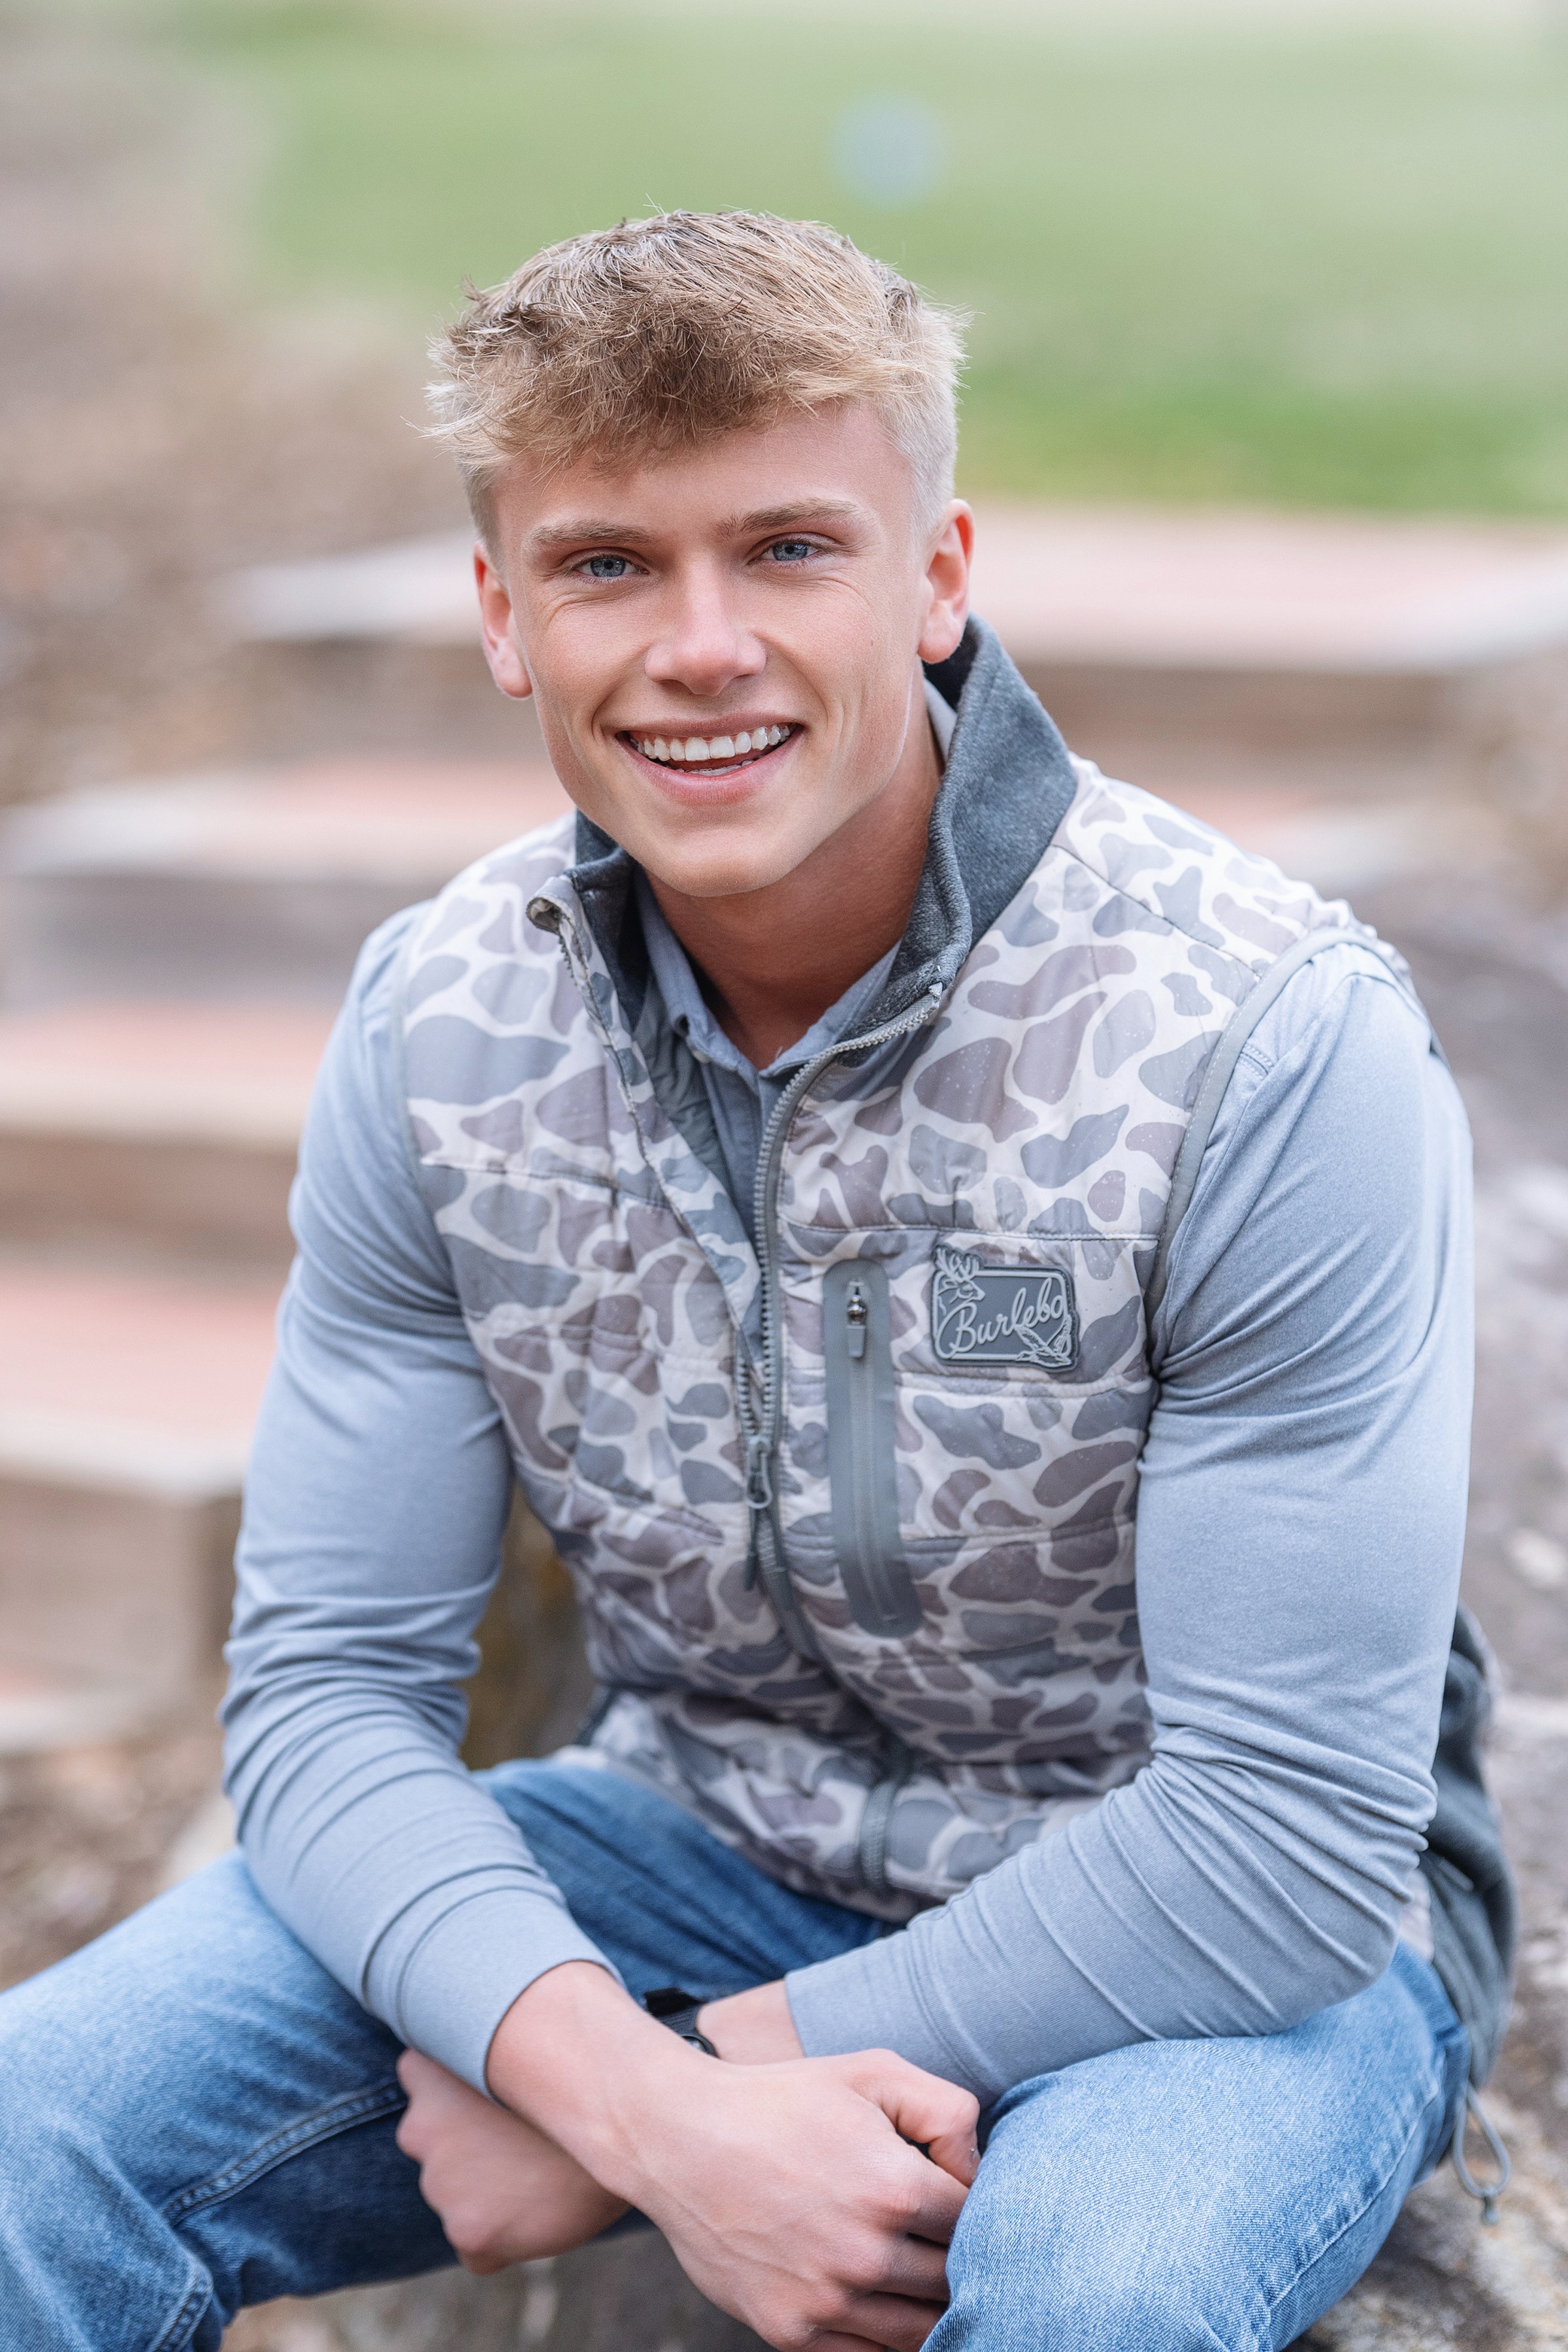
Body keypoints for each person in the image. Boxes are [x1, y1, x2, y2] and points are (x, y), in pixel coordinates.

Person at [0, 212, 1513, 2352]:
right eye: (610, 562)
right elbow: (331, 1692)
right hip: (688, 1843)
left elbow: (1277, 1840)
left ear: (942, 575)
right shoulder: (442, 1027)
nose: (700, 647)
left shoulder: (1258, 1039)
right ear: (505, 615)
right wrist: (627, 2091)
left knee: (1099, 2306)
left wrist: (695, 2087)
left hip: (1218, 1950)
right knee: (26, 2144)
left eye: (790, 548)